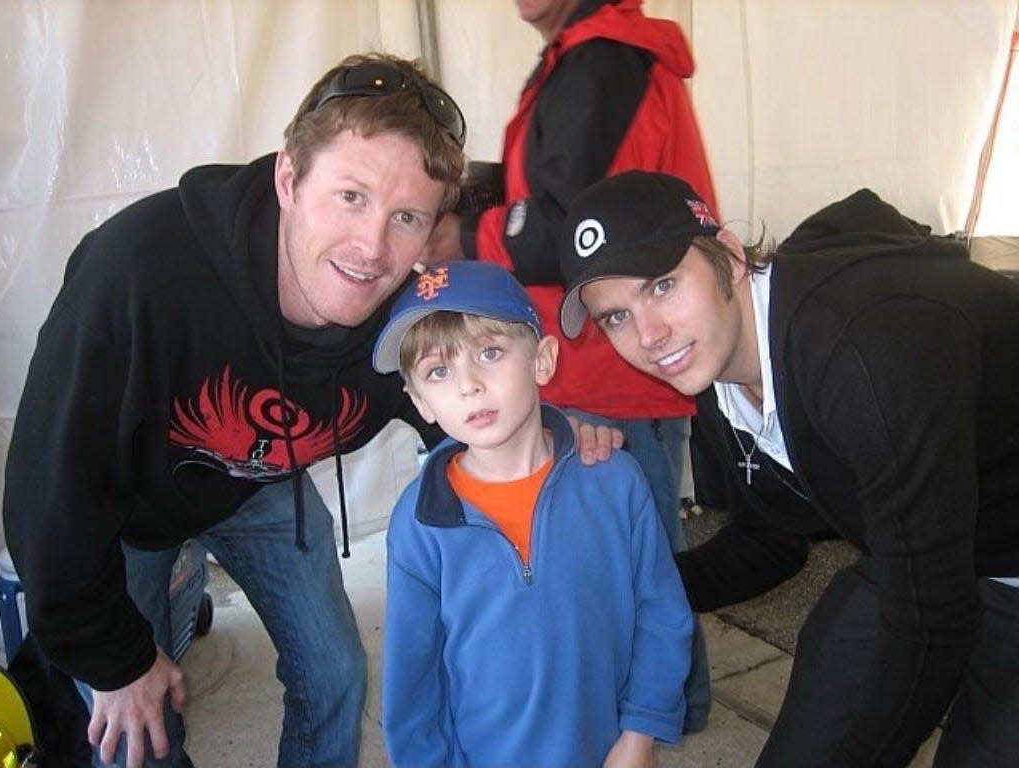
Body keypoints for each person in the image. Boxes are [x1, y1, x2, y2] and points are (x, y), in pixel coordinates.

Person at [2, 52, 470, 768]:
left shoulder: (406, 304)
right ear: (289, 178)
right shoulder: (138, 272)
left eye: (406, 217)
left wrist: (560, 436)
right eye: (351, 196)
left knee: (338, 675)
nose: (372, 248)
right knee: (136, 730)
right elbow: (48, 492)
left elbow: (471, 407)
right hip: (125, 508)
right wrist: (114, 660)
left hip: (258, 484)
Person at [557, 169, 1019, 767]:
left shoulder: (857, 350)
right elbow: (775, 534)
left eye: (662, 286)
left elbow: (932, 622)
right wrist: (625, 591)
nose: (649, 334)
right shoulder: (717, 369)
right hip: (944, 550)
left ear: (726, 256)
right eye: (615, 316)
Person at [426, 0, 719, 730]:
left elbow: (573, 226)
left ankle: (657, 720)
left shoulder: (604, 59)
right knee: (634, 559)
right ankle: (670, 710)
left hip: (614, 365)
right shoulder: (585, 56)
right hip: (603, 361)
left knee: (630, 571)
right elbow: (558, 193)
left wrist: (465, 231)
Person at [372, 259, 694, 768]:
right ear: (420, 402)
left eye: (490, 352)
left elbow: (661, 612)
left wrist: (641, 732)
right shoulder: (419, 522)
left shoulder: (614, 483)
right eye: (438, 371)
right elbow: (412, 677)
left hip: (608, 752)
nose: (468, 385)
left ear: (542, 361)